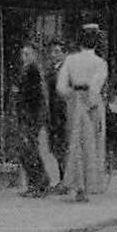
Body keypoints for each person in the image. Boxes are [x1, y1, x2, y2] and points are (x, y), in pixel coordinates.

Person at [56, 25, 108, 202]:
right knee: (91, 144)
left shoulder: (70, 60)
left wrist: (71, 96)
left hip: (74, 102)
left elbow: (61, 87)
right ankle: (87, 186)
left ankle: (76, 185)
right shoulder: (100, 63)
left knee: (75, 143)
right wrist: (91, 102)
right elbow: (96, 86)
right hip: (91, 103)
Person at [13, 43, 50, 197]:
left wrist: (19, 92)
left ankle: (39, 181)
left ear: (34, 55)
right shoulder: (26, 71)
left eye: (28, 54)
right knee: (26, 149)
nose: (24, 57)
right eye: (23, 54)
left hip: (31, 115)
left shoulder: (33, 71)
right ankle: (36, 182)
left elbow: (34, 95)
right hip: (27, 114)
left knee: (28, 148)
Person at [44, 40, 70, 191]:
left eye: (57, 52)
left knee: (62, 147)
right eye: (52, 52)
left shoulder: (66, 71)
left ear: (65, 54)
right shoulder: (50, 70)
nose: (54, 55)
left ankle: (65, 180)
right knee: (55, 147)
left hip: (63, 112)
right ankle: (61, 179)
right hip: (52, 112)